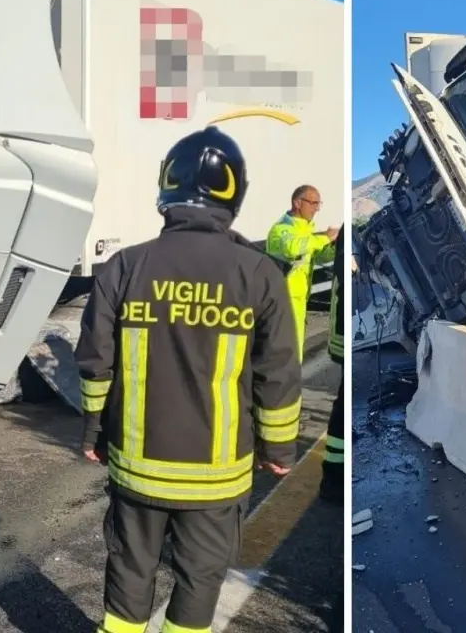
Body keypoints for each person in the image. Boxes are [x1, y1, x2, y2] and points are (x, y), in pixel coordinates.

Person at [76, 126, 304, 633]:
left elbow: (95, 360)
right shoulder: (260, 273)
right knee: (200, 580)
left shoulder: (125, 266)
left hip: (137, 468)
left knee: (131, 571)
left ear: (166, 189)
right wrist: (279, 449)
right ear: (235, 195)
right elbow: (278, 374)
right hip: (217, 476)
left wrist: (94, 430)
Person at [266, 185, 338, 361]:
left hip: (298, 299)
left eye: (318, 204)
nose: (316, 209)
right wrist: (325, 237)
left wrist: (334, 246)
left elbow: (317, 257)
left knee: (294, 348)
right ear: (298, 203)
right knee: (283, 349)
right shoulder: (281, 229)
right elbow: (293, 247)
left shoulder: (305, 230)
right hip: (282, 299)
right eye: (313, 203)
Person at [319, 225, 345, 504]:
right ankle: (332, 478)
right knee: (342, 404)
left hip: (340, 328)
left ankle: (333, 474)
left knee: (342, 401)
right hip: (341, 332)